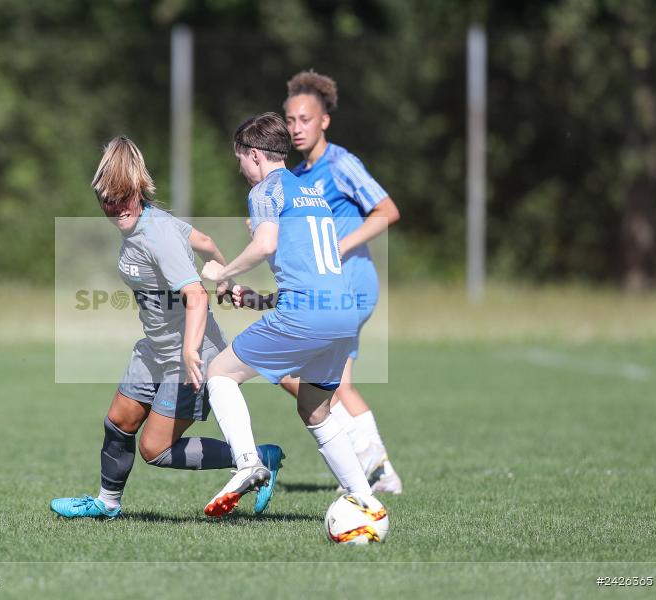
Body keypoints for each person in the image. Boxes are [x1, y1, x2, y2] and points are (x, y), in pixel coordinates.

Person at [50, 137, 283, 519]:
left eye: (124, 197)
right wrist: (223, 276)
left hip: (190, 356)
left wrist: (192, 347)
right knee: (118, 422)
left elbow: (196, 297)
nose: (117, 208)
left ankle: (258, 458)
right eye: (108, 199)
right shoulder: (152, 222)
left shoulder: (155, 233)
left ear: (138, 191)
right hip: (155, 349)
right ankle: (106, 505)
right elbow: (205, 240)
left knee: (155, 450)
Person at [200, 113, 378, 517]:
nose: (241, 168)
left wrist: (222, 273)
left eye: (241, 159)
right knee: (316, 410)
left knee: (220, 373)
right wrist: (260, 301)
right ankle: (366, 499)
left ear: (256, 155)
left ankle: (247, 462)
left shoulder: (266, 189)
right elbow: (313, 269)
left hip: (309, 313)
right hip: (342, 313)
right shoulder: (311, 192)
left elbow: (264, 245)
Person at [282, 70, 402, 494]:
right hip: (327, 290)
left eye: (305, 119)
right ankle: (380, 471)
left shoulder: (341, 164)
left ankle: (366, 460)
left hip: (350, 285)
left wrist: (342, 244)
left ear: (324, 121)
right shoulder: (299, 174)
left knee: (295, 372)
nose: (297, 128)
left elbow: (387, 211)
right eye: (291, 120)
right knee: (325, 382)